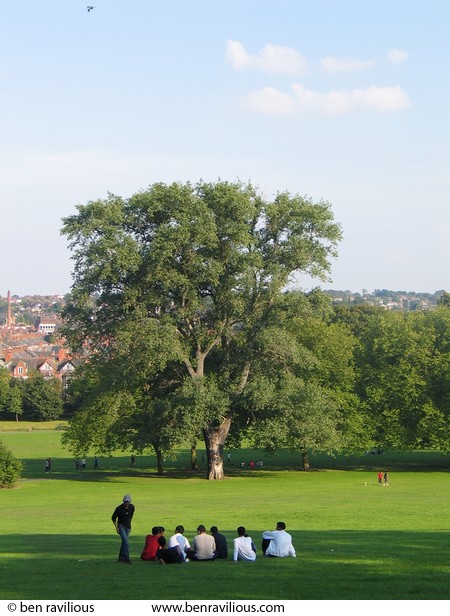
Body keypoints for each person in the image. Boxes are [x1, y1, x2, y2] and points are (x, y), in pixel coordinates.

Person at [111, 494, 135, 564]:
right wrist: (116, 528)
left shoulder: (132, 507)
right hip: (121, 526)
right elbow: (113, 518)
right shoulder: (118, 508)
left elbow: (131, 516)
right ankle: (126, 558)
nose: (126, 503)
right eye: (125, 502)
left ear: (130, 501)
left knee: (124, 542)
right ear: (123, 501)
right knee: (126, 542)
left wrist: (130, 523)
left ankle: (121, 557)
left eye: (128, 502)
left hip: (128, 527)